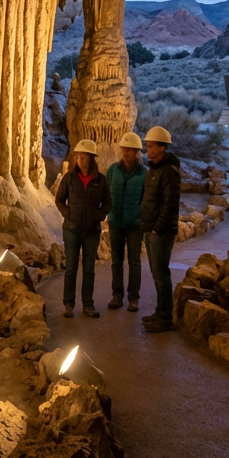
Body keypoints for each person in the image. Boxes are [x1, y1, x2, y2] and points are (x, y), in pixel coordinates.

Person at [55, 139, 110, 319]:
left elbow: (108, 202)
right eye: (78, 157)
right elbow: (59, 199)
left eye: (83, 157)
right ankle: (68, 304)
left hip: (92, 231)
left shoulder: (100, 180)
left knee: (89, 269)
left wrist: (99, 215)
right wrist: (67, 213)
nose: (80, 160)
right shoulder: (69, 178)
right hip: (72, 228)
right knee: (71, 268)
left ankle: (88, 304)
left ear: (92, 159)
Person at [139, 125, 181, 332]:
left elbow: (170, 203)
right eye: (147, 145)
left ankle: (165, 317)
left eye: (152, 146)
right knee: (157, 272)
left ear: (162, 148)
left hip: (160, 232)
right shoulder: (154, 169)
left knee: (161, 273)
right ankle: (160, 312)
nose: (148, 149)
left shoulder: (168, 172)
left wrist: (157, 228)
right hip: (151, 228)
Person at [106, 132, 147, 311]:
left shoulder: (144, 174)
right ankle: (117, 295)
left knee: (134, 261)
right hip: (115, 220)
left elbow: (146, 199)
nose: (127, 152)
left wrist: (140, 216)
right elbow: (106, 193)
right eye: (124, 148)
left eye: (131, 149)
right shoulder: (113, 170)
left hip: (134, 224)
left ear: (137, 151)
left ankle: (133, 297)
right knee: (116, 260)